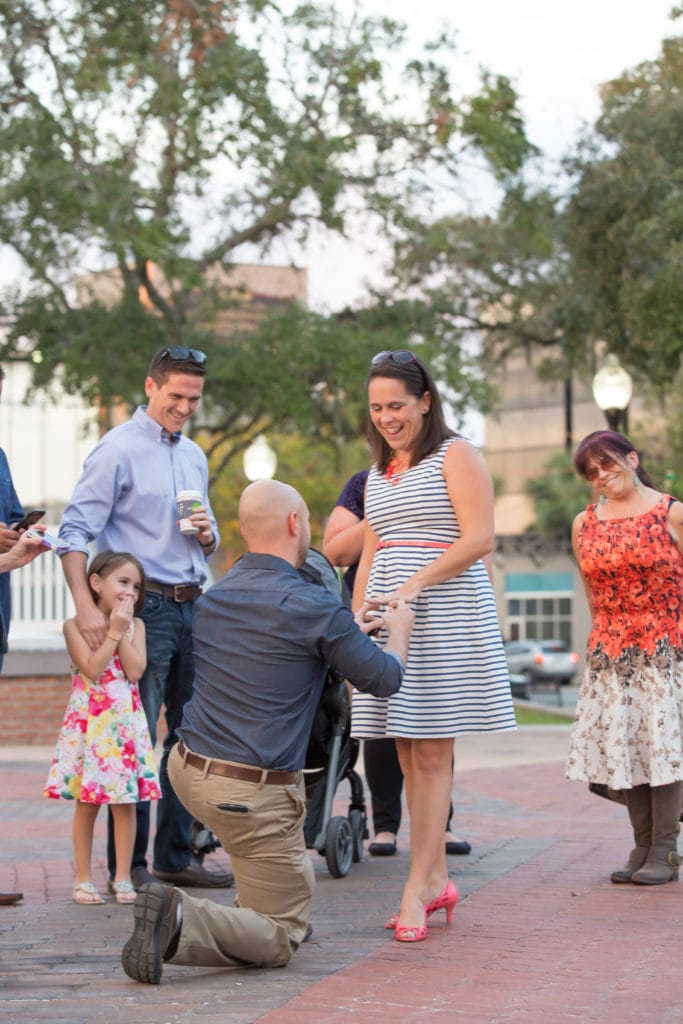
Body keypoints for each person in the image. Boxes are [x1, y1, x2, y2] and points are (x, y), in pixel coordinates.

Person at [120, 478, 414, 984]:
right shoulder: (315, 607)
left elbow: (278, 650)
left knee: (290, 880)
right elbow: (383, 680)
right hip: (249, 792)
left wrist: (345, 632)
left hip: (188, 772)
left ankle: (244, 910)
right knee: (282, 935)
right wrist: (399, 634)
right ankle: (180, 917)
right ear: (295, 523)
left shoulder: (214, 600)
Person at [351, 349, 515, 942]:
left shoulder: (457, 454)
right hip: (387, 618)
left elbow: (480, 538)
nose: (386, 417)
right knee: (402, 750)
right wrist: (355, 618)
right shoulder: (378, 473)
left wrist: (414, 584)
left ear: (425, 401)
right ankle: (438, 878)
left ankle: (416, 886)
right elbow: (374, 547)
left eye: (396, 405)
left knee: (430, 752)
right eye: (376, 408)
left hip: (441, 610)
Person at [58, 347, 232, 891]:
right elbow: (74, 532)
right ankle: (128, 870)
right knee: (134, 736)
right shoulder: (117, 450)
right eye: (176, 395)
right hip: (142, 612)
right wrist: (89, 607)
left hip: (191, 603)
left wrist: (209, 536)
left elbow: (205, 541)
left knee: (191, 737)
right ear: (151, 387)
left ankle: (175, 857)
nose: (184, 407)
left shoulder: (196, 455)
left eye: (194, 399)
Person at [322, 467, 471, 857]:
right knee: (381, 719)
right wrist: (387, 513)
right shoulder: (363, 482)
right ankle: (385, 826)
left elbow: (470, 540)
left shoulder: (446, 475)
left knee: (433, 721)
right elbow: (335, 551)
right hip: (373, 608)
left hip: (431, 608)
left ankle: (441, 825)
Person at [567, 430, 683, 886]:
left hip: (665, 649)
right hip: (611, 652)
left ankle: (666, 850)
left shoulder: (672, 514)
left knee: (663, 748)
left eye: (608, 464)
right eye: (591, 472)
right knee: (628, 747)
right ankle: (641, 844)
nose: (601, 476)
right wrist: (597, 647)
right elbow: (592, 593)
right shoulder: (584, 522)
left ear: (632, 458)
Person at [45, 552, 162, 904]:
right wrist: (111, 630)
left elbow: (136, 670)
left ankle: (122, 876)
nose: (131, 592)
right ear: (96, 583)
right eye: (123, 582)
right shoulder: (74, 626)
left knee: (125, 803)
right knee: (87, 803)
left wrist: (122, 628)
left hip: (124, 726)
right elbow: (93, 669)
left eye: (137, 586)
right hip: (91, 725)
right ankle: (83, 878)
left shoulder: (137, 626)